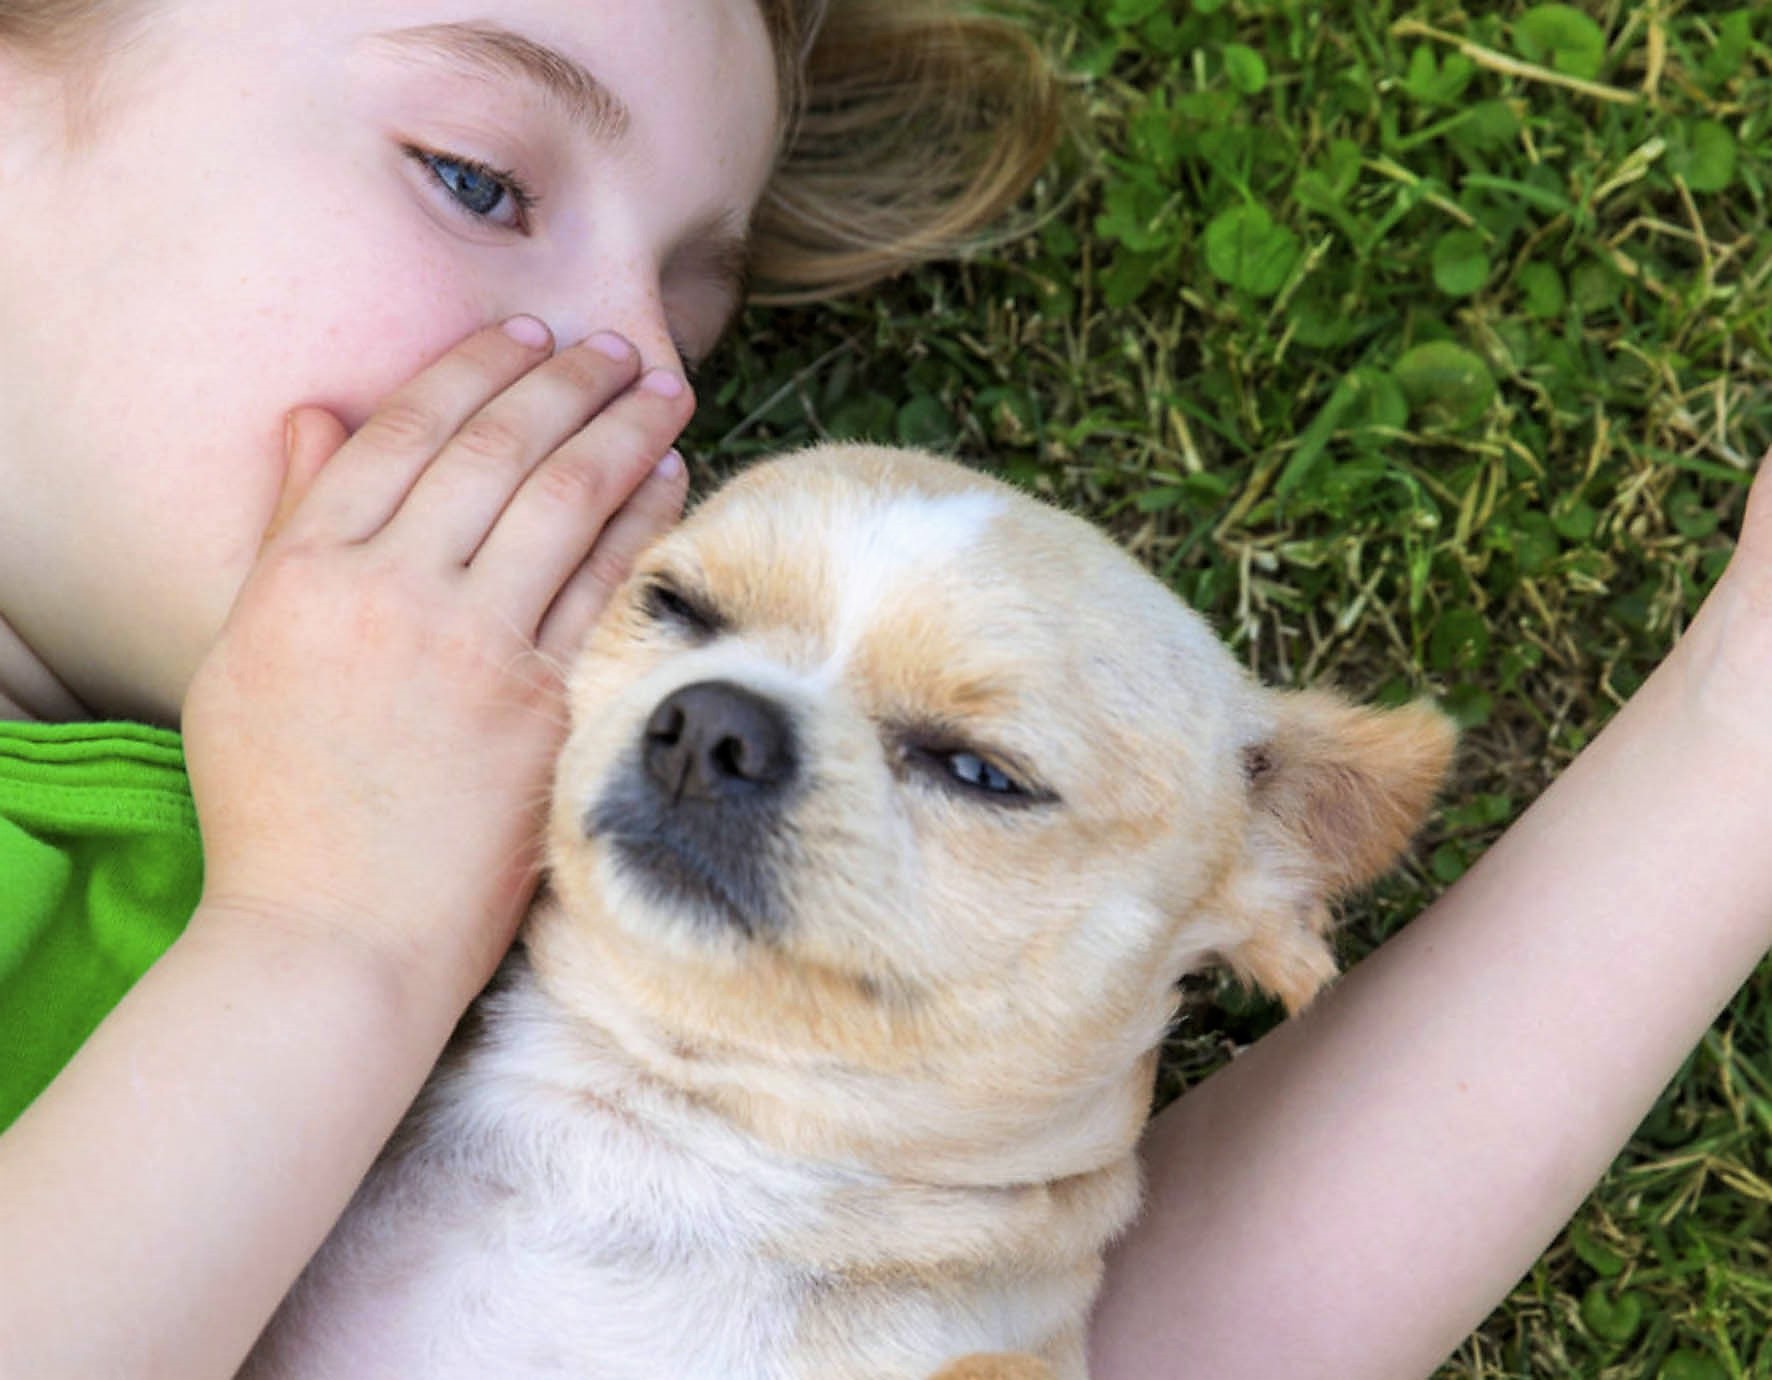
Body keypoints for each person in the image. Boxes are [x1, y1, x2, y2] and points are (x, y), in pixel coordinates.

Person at [0, 4, 1766, 1379]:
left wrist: (1733, 745)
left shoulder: (493, 802)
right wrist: (328, 931)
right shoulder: (366, 875)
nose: (633, 380)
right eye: (478, 178)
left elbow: (1115, 1324)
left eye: (695, 338)